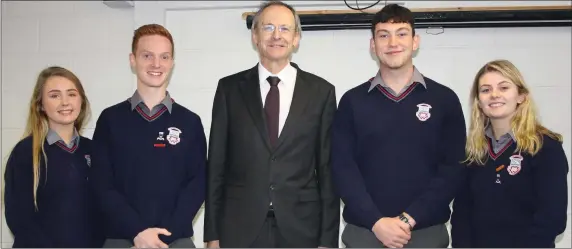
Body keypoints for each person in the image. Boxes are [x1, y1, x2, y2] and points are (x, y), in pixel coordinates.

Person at [203, 1, 340, 248]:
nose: (277, 35)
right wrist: (212, 235)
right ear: (255, 36)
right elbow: (216, 167)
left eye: (285, 29)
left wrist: (327, 240)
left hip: (302, 228)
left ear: (296, 38)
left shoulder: (322, 93)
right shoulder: (229, 90)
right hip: (238, 228)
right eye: (268, 28)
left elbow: (328, 171)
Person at [331, 4, 467, 248]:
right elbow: (343, 169)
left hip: (425, 233)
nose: (393, 42)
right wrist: (376, 222)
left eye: (402, 33)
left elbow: (452, 170)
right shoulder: (352, 101)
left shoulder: (444, 99)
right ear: (373, 45)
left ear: (415, 41)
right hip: (365, 233)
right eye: (383, 35)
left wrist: (408, 219)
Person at [90, 24, 206, 248]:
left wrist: (163, 236)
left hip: (174, 240)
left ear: (172, 63)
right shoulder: (110, 119)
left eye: (164, 57)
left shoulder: (190, 122)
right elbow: (102, 184)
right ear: (133, 60)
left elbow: (197, 184)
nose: (156, 64)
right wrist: (137, 231)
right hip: (122, 239)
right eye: (147, 56)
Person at [450, 59, 569, 248]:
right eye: (486, 90)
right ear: (479, 102)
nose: (494, 95)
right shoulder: (474, 150)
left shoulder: (545, 147)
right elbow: (462, 215)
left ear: (521, 96)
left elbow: (552, 219)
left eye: (504, 87)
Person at [3, 66, 103, 248]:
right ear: (40, 104)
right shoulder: (25, 152)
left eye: (71, 94)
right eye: (54, 95)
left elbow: (102, 211)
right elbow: (19, 218)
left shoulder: (94, 150)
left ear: (81, 100)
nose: (65, 102)